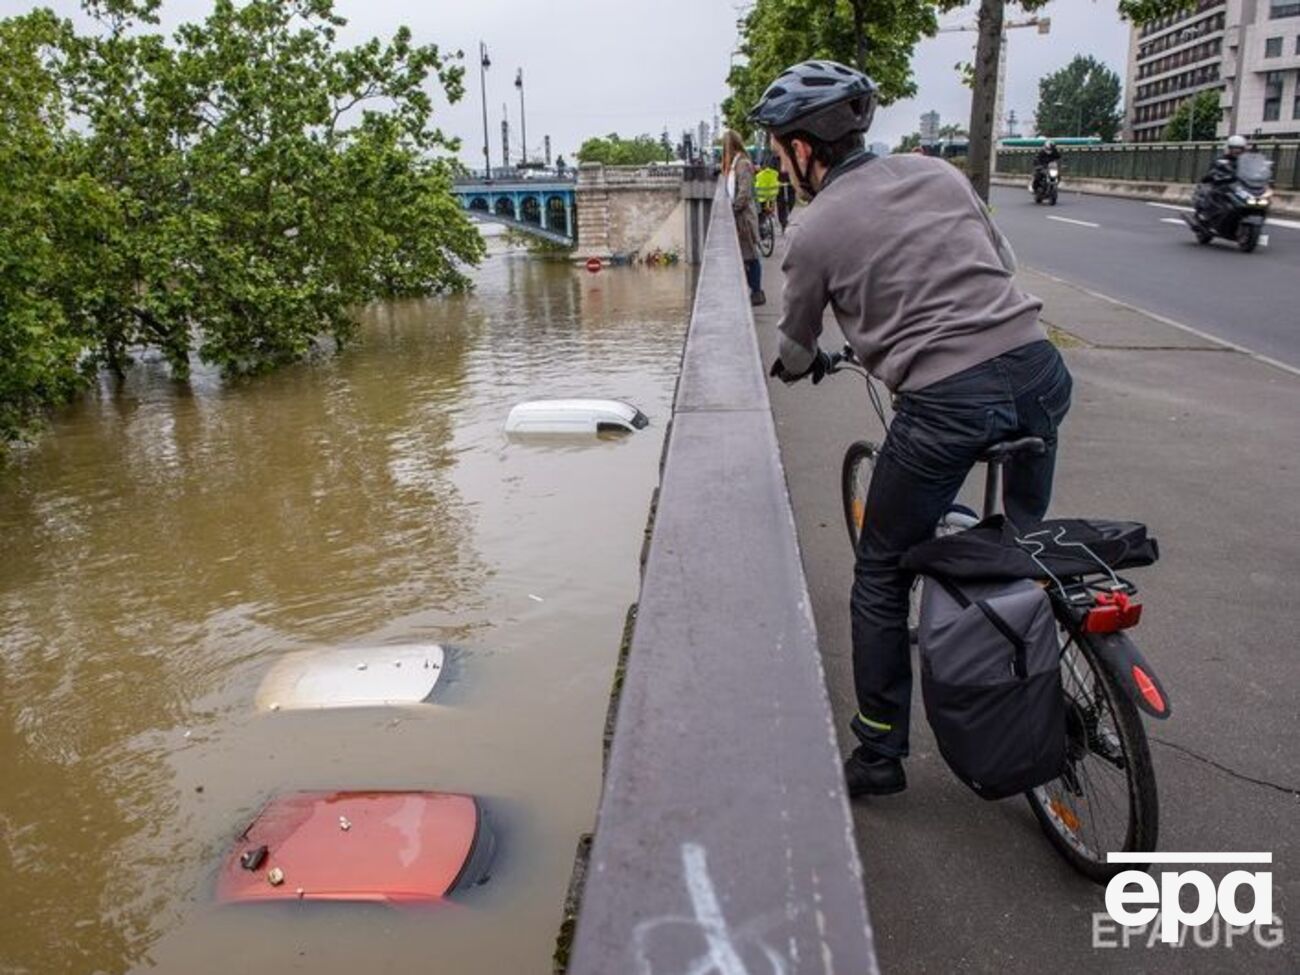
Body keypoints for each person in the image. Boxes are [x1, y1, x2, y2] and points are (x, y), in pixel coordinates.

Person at [751, 60, 1073, 798]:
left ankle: (879, 751)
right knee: (1022, 545)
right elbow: (1006, 264)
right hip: (1038, 371)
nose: (776, 159)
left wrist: (801, 364)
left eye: (778, 147)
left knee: (881, 569)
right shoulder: (940, 176)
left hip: (947, 407)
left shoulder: (814, 227)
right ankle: (1036, 663)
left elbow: (796, 349)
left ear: (806, 149)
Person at [722, 130, 764, 306]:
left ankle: (757, 291)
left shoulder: (742, 164)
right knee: (747, 255)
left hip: (744, 218)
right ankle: (754, 290)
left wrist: (734, 208)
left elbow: (744, 193)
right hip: (740, 216)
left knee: (751, 255)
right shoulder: (736, 164)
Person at [776, 166, 794, 232]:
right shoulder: (774, 159)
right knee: (781, 206)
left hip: (790, 185)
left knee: (791, 203)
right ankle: (783, 223)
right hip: (779, 186)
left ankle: (789, 218)